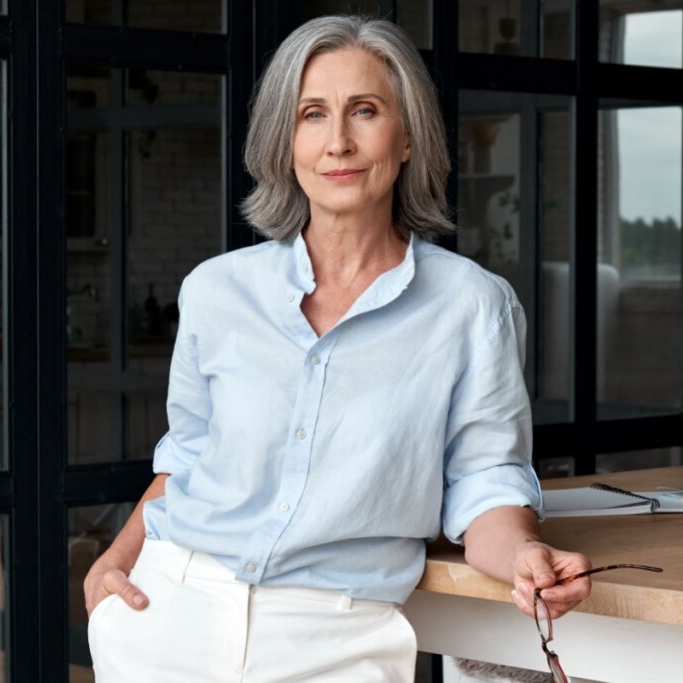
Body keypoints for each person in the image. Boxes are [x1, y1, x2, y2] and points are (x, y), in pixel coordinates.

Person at [84, 14, 591, 682]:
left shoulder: (472, 306)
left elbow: (486, 483)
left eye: (366, 111)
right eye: (313, 114)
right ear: (285, 141)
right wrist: (112, 563)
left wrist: (526, 550)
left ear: (407, 137)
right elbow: (185, 461)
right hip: (169, 610)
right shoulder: (215, 291)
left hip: (337, 634)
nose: (339, 142)